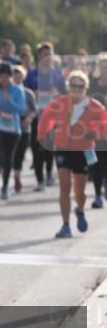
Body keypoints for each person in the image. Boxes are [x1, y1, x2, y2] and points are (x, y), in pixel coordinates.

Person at [38, 70, 107, 238]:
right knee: (64, 186)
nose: (76, 88)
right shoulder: (60, 103)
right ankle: (66, 225)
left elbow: (104, 124)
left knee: (80, 192)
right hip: (63, 147)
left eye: (80, 86)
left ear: (86, 88)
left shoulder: (94, 106)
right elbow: (46, 117)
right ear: (68, 86)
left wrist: (96, 134)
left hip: (83, 150)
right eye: (73, 85)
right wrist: (42, 135)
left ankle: (80, 210)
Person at [25, 42, 66, 191]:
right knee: (36, 147)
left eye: (49, 54)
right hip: (37, 116)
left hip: (53, 117)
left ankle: (49, 172)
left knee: (50, 146)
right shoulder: (32, 74)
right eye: (43, 54)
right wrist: (35, 95)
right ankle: (39, 179)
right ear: (39, 55)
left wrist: (56, 94)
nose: (46, 57)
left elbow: (64, 93)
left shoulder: (56, 73)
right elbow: (25, 93)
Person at [0, 63, 28, 200]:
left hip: (13, 129)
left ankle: (5, 187)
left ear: (10, 77)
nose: (4, 79)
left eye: (6, 76)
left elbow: (21, 110)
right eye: (1, 76)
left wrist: (9, 100)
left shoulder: (18, 90)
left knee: (7, 159)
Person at [11, 65, 37, 193]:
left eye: (19, 75)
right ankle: (10, 177)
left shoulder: (28, 93)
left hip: (25, 127)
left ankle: (17, 176)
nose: (17, 78)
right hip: (10, 126)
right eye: (14, 75)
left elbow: (34, 110)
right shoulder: (7, 92)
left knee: (20, 153)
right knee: (11, 154)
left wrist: (29, 119)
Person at [90, 54, 107, 209]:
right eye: (102, 66)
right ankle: (97, 196)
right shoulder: (92, 85)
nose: (104, 69)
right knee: (98, 163)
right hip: (97, 130)